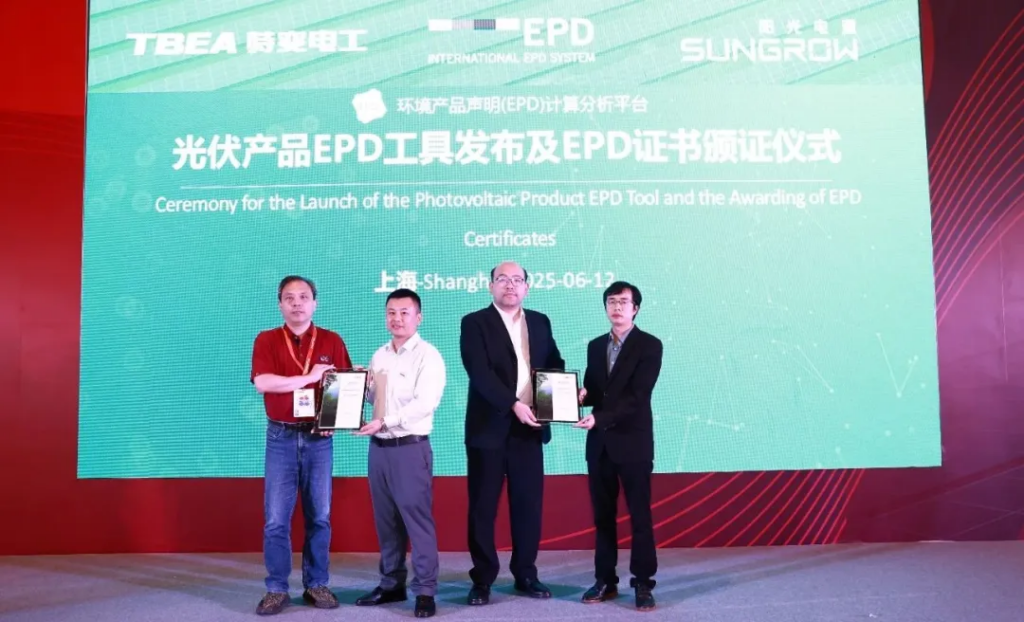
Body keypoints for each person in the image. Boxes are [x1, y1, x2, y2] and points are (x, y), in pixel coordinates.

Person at [459, 261, 565, 605]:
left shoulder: (540, 321)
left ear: (526, 288)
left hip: (529, 430)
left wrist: (562, 395)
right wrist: (513, 404)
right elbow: (479, 372)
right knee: (483, 508)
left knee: (527, 506)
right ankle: (482, 578)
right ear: (490, 285)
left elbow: (554, 364)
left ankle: (526, 574)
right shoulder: (474, 322)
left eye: (517, 280)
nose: (510, 285)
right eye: (502, 279)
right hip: (488, 429)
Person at [250, 276, 352, 616]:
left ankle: (316, 584)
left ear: (315, 303)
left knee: (320, 516)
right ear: (280, 304)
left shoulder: (331, 340)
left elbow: (343, 386)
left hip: (317, 440)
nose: (297, 303)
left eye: (304, 297)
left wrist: (334, 420)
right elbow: (263, 383)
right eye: (289, 297)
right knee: (276, 519)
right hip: (280, 437)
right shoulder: (266, 339)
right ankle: (276, 588)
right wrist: (309, 378)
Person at [353, 288, 445, 618]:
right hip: (378, 449)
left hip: (409, 448)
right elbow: (376, 400)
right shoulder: (380, 355)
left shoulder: (428, 356)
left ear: (419, 317)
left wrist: (385, 421)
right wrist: (360, 387)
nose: (397, 318)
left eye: (405, 312)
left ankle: (425, 590)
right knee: (386, 521)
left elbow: (425, 404)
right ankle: (392, 584)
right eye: (391, 312)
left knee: (417, 522)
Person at [574, 281, 663, 611]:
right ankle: (605, 580)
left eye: (623, 302)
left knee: (640, 516)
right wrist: (580, 396)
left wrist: (599, 417)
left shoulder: (649, 345)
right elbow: (597, 390)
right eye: (611, 301)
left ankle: (643, 582)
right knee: (603, 518)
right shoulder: (596, 345)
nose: (617, 307)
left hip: (633, 443)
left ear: (635, 308)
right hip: (600, 446)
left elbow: (638, 396)